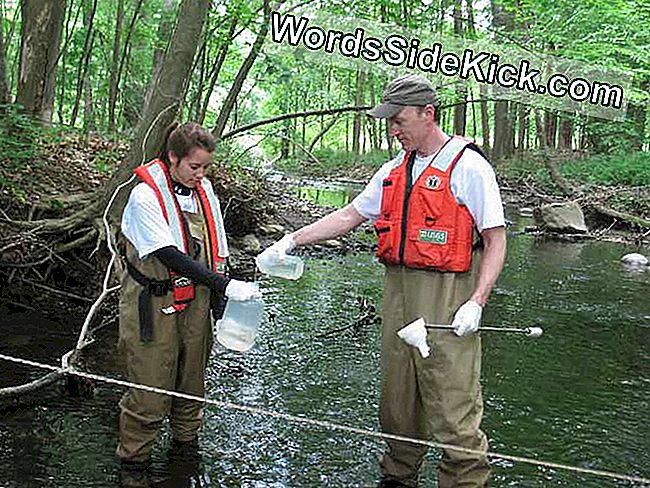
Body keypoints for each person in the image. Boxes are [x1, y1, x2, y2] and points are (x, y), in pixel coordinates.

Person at [261, 75, 506, 488]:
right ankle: (397, 477)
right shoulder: (394, 169)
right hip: (399, 291)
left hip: (449, 294)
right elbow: (349, 216)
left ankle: (464, 480)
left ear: (428, 115)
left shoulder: (470, 168)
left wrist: (477, 302)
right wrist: (291, 240)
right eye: (389, 121)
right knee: (398, 405)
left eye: (400, 120)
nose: (393, 129)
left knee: (452, 405)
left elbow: (497, 241)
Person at [116, 122, 260, 486]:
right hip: (153, 300)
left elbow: (216, 247)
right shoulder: (145, 197)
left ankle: (184, 460)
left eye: (206, 167)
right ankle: (133, 466)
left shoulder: (204, 190)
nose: (201, 174)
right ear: (173, 158)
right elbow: (168, 254)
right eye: (194, 167)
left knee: (192, 385)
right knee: (149, 392)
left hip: (196, 300)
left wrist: (220, 303)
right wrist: (225, 285)